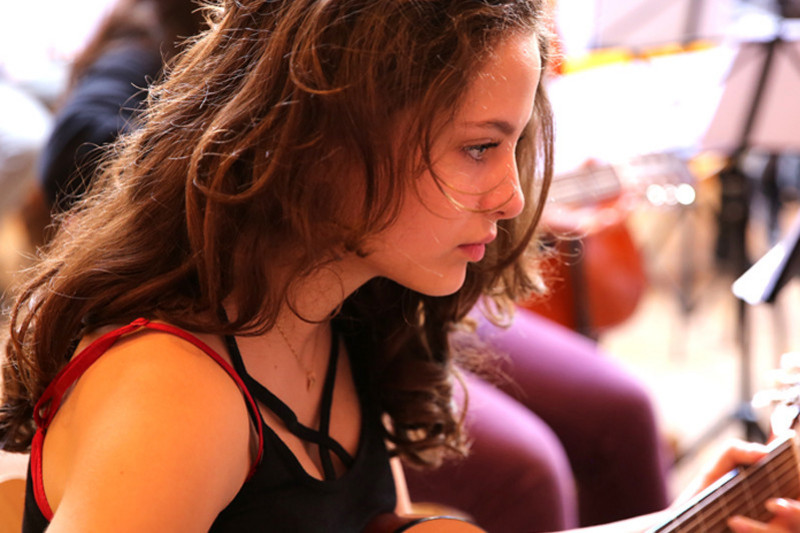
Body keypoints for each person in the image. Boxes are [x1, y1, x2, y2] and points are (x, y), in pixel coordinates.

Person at [0, 0, 791, 532]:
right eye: (480, 147)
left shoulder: (340, 313)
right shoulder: (178, 396)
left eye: (514, 147)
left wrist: (674, 523)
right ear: (331, 136)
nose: (514, 196)